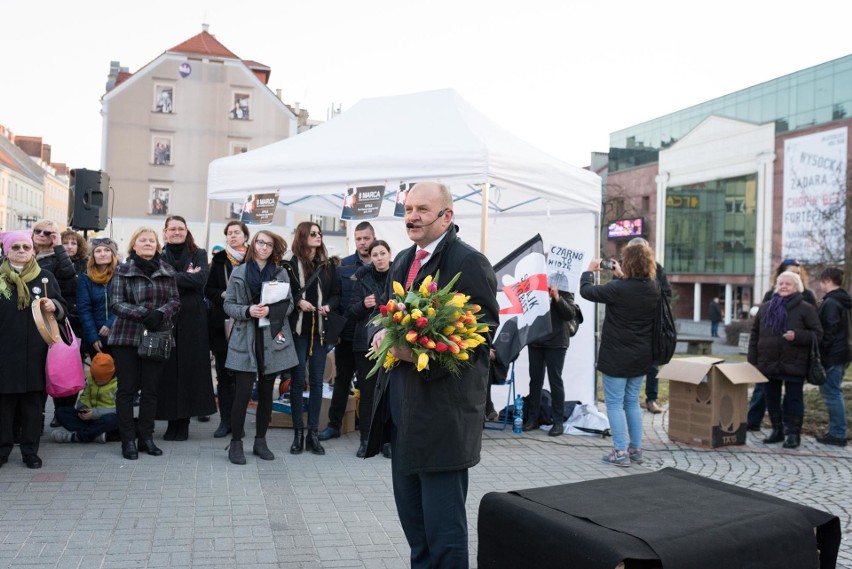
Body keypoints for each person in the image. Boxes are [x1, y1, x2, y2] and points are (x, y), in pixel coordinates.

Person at [365, 182, 499, 568]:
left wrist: (416, 353)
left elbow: (481, 335)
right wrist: (378, 332)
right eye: (409, 209)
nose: (412, 216)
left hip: (442, 418)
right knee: (416, 532)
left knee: (444, 535)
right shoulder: (405, 258)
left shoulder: (467, 262)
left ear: (447, 216)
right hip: (402, 415)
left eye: (423, 209)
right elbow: (386, 316)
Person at [580, 240, 658, 467]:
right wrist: (621, 275)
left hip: (616, 356)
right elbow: (632, 288)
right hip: (641, 356)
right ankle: (635, 450)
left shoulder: (618, 289)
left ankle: (620, 452)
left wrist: (588, 272)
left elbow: (587, 292)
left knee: (614, 404)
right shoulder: (652, 287)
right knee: (632, 402)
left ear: (629, 261)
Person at [223, 231, 297, 464]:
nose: (264, 247)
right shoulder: (239, 272)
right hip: (245, 338)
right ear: (253, 244)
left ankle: (260, 441)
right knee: (243, 393)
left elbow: (290, 304)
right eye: (260, 242)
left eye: (269, 244)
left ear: (273, 248)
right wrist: (247, 311)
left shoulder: (280, 272)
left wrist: (270, 311)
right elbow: (228, 305)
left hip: (271, 338)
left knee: (267, 394)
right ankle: (236, 443)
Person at [109, 227, 180, 460]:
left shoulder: (167, 270)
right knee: (127, 390)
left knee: (150, 390)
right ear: (134, 245)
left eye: (152, 240)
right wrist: (143, 313)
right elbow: (116, 303)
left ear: (157, 245)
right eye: (143, 240)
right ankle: (127, 440)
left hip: (157, 336)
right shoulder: (122, 270)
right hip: (126, 337)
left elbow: (175, 301)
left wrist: (160, 313)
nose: (148, 243)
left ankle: (146, 438)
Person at [0, 230, 67, 469]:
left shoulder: (44, 277)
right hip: (5, 355)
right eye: (15, 247)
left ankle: (30, 451)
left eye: (26, 247)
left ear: (33, 251)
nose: (21, 251)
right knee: (4, 408)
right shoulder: (0, 277)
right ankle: (3, 450)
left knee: (33, 407)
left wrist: (55, 305)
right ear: (6, 251)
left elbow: (63, 309)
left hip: (36, 355)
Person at [157, 216, 217, 441]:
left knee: (190, 369)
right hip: (167, 315)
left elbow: (200, 280)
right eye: (172, 228)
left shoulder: (198, 253)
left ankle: (184, 424)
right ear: (165, 232)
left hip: (193, 317)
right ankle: (171, 421)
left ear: (186, 230)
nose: (177, 232)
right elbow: (158, 281)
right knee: (169, 369)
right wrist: (185, 277)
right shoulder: (159, 254)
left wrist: (170, 276)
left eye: (181, 228)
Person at [283, 222, 340, 456]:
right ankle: (298, 433)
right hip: (297, 330)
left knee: (317, 382)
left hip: (320, 331)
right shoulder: (288, 265)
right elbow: (281, 292)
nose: (318, 237)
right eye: (313, 233)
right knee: (297, 382)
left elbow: (337, 294)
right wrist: (297, 301)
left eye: (320, 233)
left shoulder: (327, 266)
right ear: (302, 236)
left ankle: (313, 434)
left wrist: (328, 306)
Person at [748, 271, 822, 449]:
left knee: (794, 399)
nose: (783, 286)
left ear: (797, 287)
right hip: (768, 361)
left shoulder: (806, 309)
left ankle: (793, 434)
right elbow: (755, 334)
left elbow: (818, 334)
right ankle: (777, 430)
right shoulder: (765, 308)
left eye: (788, 284)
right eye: (781, 283)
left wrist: (797, 336)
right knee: (771, 398)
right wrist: (752, 359)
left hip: (794, 362)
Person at [319, 221, 375, 443]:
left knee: (368, 385)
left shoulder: (384, 265)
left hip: (372, 337)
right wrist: (335, 331)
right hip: (346, 334)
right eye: (359, 238)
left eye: (366, 238)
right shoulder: (343, 266)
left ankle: (367, 433)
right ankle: (334, 425)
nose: (362, 243)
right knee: (341, 382)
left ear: (373, 238)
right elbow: (336, 299)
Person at [611, 236, 670, 414]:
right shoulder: (623, 267)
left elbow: (666, 294)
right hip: (627, 325)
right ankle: (628, 400)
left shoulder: (657, 268)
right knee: (628, 363)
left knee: (653, 364)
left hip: (651, 325)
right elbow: (614, 293)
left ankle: (651, 399)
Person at [345, 239, 392, 457]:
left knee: (391, 392)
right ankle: (365, 439)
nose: (379, 258)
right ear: (370, 258)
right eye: (375, 255)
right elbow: (350, 312)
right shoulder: (361, 279)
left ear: (389, 254)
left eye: (383, 253)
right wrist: (364, 304)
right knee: (368, 393)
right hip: (364, 343)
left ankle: (387, 440)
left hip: (392, 342)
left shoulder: (398, 277)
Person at [205, 221, 250, 439]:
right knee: (223, 375)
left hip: (248, 322)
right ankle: (225, 421)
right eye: (229, 233)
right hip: (223, 323)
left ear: (245, 236)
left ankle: (238, 421)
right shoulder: (220, 259)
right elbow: (208, 288)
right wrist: (222, 294)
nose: (233, 236)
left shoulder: (254, 258)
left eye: (236, 233)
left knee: (243, 376)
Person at [32, 219, 79, 427]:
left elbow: (68, 275)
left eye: (48, 232)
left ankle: (60, 415)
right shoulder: (23, 253)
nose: (43, 234)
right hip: (24, 323)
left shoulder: (56, 257)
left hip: (52, 321)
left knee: (54, 369)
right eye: (38, 231)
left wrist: (59, 245)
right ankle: (33, 419)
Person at [522, 284, 579, 437]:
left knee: (555, 380)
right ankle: (533, 418)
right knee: (535, 379)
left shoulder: (565, 285)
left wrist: (557, 297)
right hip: (535, 339)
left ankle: (558, 422)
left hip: (557, 340)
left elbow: (569, 314)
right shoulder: (535, 282)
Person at [815, 267, 850, 447]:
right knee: (834, 392)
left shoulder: (831, 303)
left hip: (833, 355)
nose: (820, 285)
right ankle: (837, 431)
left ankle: (838, 434)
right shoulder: (842, 300)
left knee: (832, 393)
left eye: (821, 281)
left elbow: (828, 331)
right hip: (843, 353)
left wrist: (821, 354)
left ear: (827, 280)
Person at [51, 352, 119, 444]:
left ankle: (77, 437)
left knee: (112, 420)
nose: (98, 381)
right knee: (61, 412)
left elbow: (120, 409)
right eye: (96, 378)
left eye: (102, 380)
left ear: (110, 376)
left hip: (104, 419)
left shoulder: (118, 385)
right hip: (89, 419)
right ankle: (96, 434)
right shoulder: (91, 380)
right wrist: (83, 408)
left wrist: (95, 413)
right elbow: (84, 397)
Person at [77, 238, 119, 356]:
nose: (102, 254)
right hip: (97, 335)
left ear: (113, 254)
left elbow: (126, 302)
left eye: (107, 250)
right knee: (100, 372)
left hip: (120, 333)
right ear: (93, 255)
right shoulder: (86, 278)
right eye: (98, 251)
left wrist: (110, 323)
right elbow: (84, 309)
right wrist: (93, 336)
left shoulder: (122, 274)